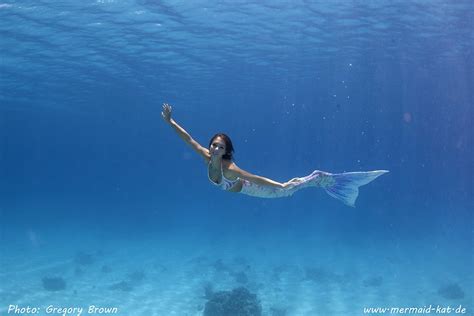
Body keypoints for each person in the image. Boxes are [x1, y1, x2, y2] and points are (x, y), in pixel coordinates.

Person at [161, 103, 388, 207]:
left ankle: (318, 179)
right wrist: (170, 121)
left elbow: (255, 179)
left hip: (256, 190)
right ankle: (310, 179)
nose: (215, 149)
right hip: (246, 189)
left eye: (220, 147)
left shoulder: (229, 168)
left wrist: (277, 185)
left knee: (286, 192)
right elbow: (188, 138)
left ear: (226, 151)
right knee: (289, 187)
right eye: (214, 145)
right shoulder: (204, 155)